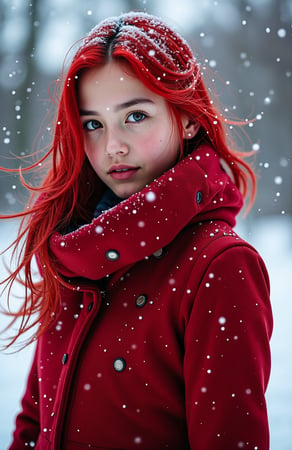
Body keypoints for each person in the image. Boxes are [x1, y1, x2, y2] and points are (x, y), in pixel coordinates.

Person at [1, 12, 273, 450]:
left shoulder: (220, 267)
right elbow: (34, 424)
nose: (113, 146)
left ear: (186, 118)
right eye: (93, 124)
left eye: (136, 116)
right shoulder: (73, 250)